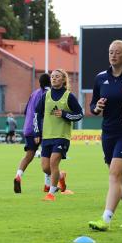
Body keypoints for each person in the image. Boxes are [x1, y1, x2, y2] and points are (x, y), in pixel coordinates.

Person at [88, 40, 122, 231]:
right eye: (111, 52)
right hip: (108, 132)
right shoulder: (100, 78)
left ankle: (106, 219)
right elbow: (93, 105)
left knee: (114, 175)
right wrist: (97, 107)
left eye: (118, 52)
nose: (113, 55)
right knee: (121, 179)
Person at [34, 69, 82, 201]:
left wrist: (65, 114)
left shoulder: (69, 96)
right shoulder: (46, 96)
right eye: (52, 76)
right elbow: (37, 114)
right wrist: (37, 131)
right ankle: (60, 176)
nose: (54, 78)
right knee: (45, 167)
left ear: (63, 80)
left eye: (57, 77)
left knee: (53, 162)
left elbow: (79, 114)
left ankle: (51, 193)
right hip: (47, 136)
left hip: (62, 136)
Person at [14, 73, 51, 193]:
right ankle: (47, 185)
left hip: (28, 128)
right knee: (48, 157)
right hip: (42, 129)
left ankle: (18, 175)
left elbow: (26, 111)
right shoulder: (49, 94)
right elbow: (39, 113)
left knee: (28, 156)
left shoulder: (33, 93)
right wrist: (38, 132)